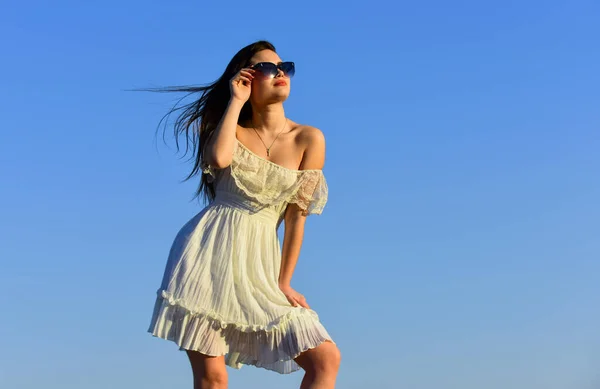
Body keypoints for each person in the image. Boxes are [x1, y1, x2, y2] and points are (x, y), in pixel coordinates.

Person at [146, 40, 341, 389]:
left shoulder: (308, 139)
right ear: (246, 80)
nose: (280, 73)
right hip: (208, 254)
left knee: (325, 359)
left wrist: (283, 282)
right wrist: (235, 102)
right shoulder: (229, 129)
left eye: (285, 67)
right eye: (267, 68)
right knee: (214, 378)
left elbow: (297, 218)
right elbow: (219, 159)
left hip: (260, 263)